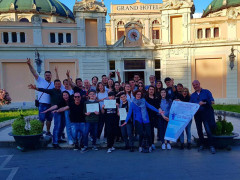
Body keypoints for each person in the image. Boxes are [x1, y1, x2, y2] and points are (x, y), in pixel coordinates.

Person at [28, 80, 63, 149]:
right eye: (56, 84)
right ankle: (55, 142)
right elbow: (44, 90)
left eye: (59, 84)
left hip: (61, 110)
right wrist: (35, 88)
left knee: (61, 125)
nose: (58, 85)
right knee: (57, 126)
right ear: (54, 85)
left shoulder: (60, 91)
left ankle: (58, 139)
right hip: (55, 110)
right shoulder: (52, 91)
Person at [26, 58, 54, 136]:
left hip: (50, 105)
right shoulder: (40, 80)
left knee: (49, 119)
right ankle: (40, 133)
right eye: (46, 75)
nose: (48, 76)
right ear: (44, 76)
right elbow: (34, 72)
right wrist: (29, 64)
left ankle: (48, 131)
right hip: (42, 104)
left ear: (51, 76)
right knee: (41, 119)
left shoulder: (53, 84)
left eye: (49, 75)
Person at [190, 80, 216, 154]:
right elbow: (189, 105)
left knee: (208, 130)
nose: (195, 86)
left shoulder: (206, 92)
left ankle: (211, 146)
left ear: (199, 84)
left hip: (206, 114)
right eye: (194, 85)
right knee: (199, 130)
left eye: (196, 84)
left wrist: (204, 103)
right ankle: (202, 145)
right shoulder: (192, 95)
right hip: (197, 115)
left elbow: (212, 102)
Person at [145, 86, 160, 150]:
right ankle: (151, 143)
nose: (151, 91)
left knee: (158, 129)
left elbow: (158, 107)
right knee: (150, 131)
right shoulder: (145, 98)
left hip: (155, 116)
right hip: (148, 116)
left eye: (152, 89)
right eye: (150, 89)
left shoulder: (156, 98)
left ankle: (162, 142)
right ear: (148, 90)